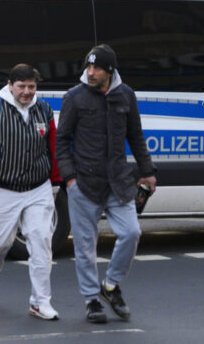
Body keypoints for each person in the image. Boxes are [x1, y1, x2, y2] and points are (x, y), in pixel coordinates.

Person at [57, 44, 156, 324]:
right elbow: (61, 141)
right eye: (87, 67)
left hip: (118, 181)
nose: (90, 72)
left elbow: (136, 136)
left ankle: (110, 286)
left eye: (96, 68)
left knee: (131, 233)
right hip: (83, 183)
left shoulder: (126, 96)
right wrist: (70, 179)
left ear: (109, 71)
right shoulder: (74, 98)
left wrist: (147, 172)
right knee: (85, 247)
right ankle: (91, 300)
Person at [0, 64, 62, 321]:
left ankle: (40, 302)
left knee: (41, 240)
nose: (27, 92)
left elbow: (52, 146)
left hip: (38, 187)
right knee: (0, 242)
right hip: (1, 188)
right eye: (22, 87)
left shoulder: (44, 109)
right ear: (10, 85)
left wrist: (55, 181)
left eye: (32, 87)